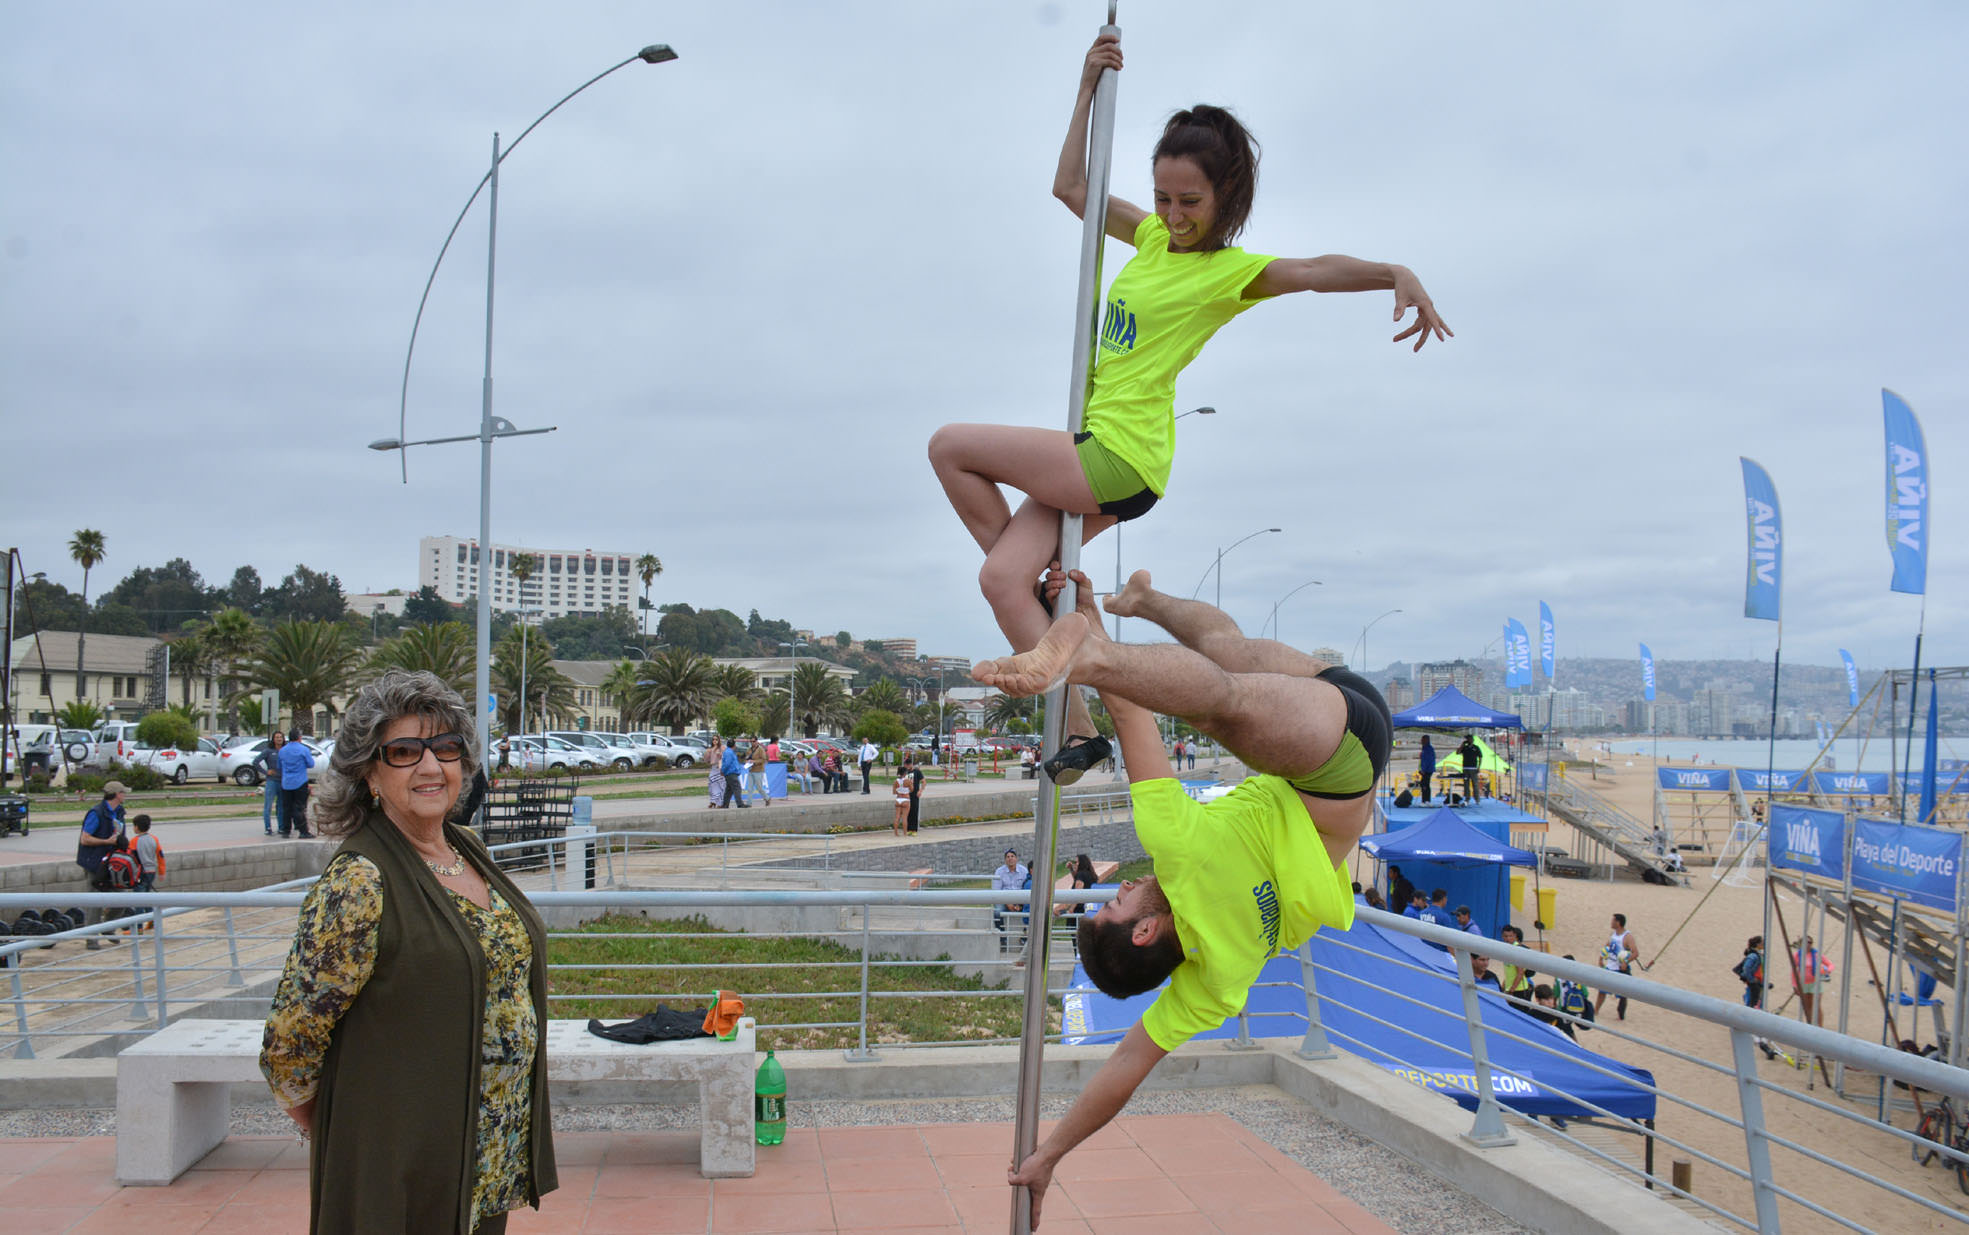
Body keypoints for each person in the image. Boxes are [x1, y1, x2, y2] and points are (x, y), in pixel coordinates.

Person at [927, 31, 1451, 786]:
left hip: (1119, 452)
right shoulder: (1147, 239)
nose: (1172, 215)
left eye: (1190, 202)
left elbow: (1309, 270)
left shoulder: (1224, 272)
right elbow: (1070, 190)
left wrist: (1391, 271)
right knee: (1002, 580)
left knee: (950, 445)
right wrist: (1084, 88)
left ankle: (1055, 611)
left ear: (1226, 199)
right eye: (1164, 195)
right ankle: (1079, 729)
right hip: (1095, 449)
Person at [977, 570, 1389, 1227]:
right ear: (1142, 933)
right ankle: (1113, 627)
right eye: (1118, 901)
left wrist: (1050, 1153)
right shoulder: (1174, 850)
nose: (1127, 884)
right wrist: (1090, 634)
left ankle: (1145, 599)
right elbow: (1131, 706)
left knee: (1224, 650)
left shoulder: (1212, 986)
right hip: (1328, 756)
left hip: (1337, 732)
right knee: (1216, 697)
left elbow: (1125, 1069)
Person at [260, 669, 556, 1235]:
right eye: (403, 751)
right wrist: (350, 1132)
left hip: (487, 1154)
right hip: (403, 1163)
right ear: (369, 772)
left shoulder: (465, 846)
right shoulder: (360, 881)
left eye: (445, 747)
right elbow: (289, 1043)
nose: (430, 766)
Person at [74, 780, 128, 949]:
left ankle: (108, 927)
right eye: (123, 793)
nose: (125, 795)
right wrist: (106, 841)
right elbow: (85, 838)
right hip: (94, 863)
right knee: (94, 900)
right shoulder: (96, 813)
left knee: (122, 896)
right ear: (117, 794)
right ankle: (91, 939)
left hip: (112, 862)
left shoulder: (119, 813)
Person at [1596, 913, 1641, 1021]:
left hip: (1620, 969)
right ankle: (1596, 1010)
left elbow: (1635, 953)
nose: (1611, 922)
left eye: (1613, 921)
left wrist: (1626, 962)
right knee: (1602, 990)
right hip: (1610, 966)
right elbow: (1607, 946)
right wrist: (1601, 958)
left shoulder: (1627, 937)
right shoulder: (1614, 934)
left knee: (1622, 994)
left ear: (1618, 923)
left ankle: (1620, 1016)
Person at [277, 728, 316, 839]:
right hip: (300, 782)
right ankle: (303, 831)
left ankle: (286, 830)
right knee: (299, 807)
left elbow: (279, 766)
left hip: (286, 783)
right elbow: (311, 764)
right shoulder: (304, 749)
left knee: (286, 807)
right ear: (299, 737)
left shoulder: (282, 750)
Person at [130, 813, 162, 933]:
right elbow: (160, 856)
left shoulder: (134, 841)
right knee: (147, 896)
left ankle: (138, 927)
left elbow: (131, 858)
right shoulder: (154, 839)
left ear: (137, 827)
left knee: (138, 900)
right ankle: (151, 919)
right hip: (151, 872)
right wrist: (162, 871)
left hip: (140, 873)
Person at [992, 849, 1029, 951]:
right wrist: (1008, 903)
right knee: (997, 912)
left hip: (1020, 900)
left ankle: (1025, 937)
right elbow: (996, 891)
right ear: (1005, 860)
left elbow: (1026, 888)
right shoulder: (999, 872)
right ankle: (1002, 938)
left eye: (1012, 856)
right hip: (1004, 899)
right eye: (1007, 857)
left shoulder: (1024, 871)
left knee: (1030, 911)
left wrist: (1019, 904)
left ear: (1016, 859)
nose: (1010, 859)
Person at [1792, 935, 1832, 1026]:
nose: (1808, 945)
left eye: (1810, 943)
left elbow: (1830, 965)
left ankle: (1820, 1026)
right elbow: (1794, 971)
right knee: (1807, 1007)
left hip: (1815, 983)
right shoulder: (1797, 955)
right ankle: (1810, 1025)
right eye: (1806, 943)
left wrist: (1826, 971)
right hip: (1803, 984)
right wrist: (1794, 985)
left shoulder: (1816, 954)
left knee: (1817, 1006)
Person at [256, 731, 286, 836]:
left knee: (281, 806)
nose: (279, 739)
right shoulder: (268, 751)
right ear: (273, 739)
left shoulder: (285, 750)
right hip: (272, 781)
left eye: (280, 737)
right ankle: (268, 827)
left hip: (283, 781)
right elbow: (256, 762)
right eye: (277, 737)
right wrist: (265, 772)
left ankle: (281, 827)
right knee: (268, 805)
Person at [1736, 935, 1766, 1009]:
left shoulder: (1759, 955)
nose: (1764, 944)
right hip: (1754, 982)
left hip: (1758, 981)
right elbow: (1746, 968)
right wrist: (1751, 979)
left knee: (1758, 1000)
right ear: (1757, 944)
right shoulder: (1753, 955)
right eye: (1762, 943)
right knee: (1752, 1001)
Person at [718, 739, 747, 809]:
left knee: (729, 789)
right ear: (734, 745)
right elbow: (727, 763)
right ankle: (740, 804)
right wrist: (722, 770)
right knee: (737, 788)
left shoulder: (729, 752)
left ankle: (725, 804)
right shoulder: (729, 752)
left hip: (729, 773)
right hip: (731, 773)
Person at [1456, 734, 1481, 802]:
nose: (1470, 740)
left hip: (1473, 768)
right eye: (1468, 739)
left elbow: (1480, 757)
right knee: (1466, 784)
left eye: (1470, 739)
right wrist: (1462, 745)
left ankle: (1477, 799)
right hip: (1465, 768)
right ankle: (1467, 798)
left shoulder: (1476, 747)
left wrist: (1479, 767)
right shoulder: (1464, 748)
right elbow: (1458, 752)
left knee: (1475, 784)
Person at [746, 740, 770, 807]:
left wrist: (753, 761)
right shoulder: (749, 749)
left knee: (759, 787)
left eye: (754, 741)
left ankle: (767, 798)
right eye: (751, 741)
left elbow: (763, 760)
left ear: (757, 741)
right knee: (749, 788)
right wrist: (747, 761)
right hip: (751, 770)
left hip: (759, 770)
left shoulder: (760, 749)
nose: (752, 742)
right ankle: (749, 803)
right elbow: (747, 757)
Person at [905, 753, 925, 835]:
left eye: (907, 765)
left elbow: (924, 782)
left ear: (910, 765)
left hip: (914, 794)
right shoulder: (905, 772)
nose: (906, 767)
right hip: (906, 794)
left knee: (914, 811)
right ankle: (908, 829)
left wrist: (920, 791)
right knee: (907, 811)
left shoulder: (917, 771)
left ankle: (914, 829)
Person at [705, 737, 726, 807]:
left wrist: (720, 755)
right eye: (713, 739)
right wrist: (707, 753)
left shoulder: (722, 748)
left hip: (720, 768)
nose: (715, 741)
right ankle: (713, 801)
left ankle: (720, 803)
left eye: (716, 739)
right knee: (711, 785)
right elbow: (707, 760)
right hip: (713, 768)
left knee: (721, 786)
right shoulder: (711, 749)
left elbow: (725, 757)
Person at [891, 768, 911, 836]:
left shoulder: (895, 781)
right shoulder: (908, 781)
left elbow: (894, 792)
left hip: (898, 799)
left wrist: (899, 792)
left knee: (897, 817)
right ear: (905, 773)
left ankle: (896, 833)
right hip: (906, 799)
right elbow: (912, 789)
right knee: (904, 818)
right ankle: (905, 833)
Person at [1418, 735, 1437, 804]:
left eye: (1423, 740)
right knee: (1423, 784)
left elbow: (1427, 760)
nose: (1421, 741)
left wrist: (1424, 769)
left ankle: (1426, 800)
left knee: (1425, 784)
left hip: (1428, 769)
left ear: (1427, 740)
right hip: (1427, 769)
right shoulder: (1424, 748)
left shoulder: (1428, 749)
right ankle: (1425, 800)